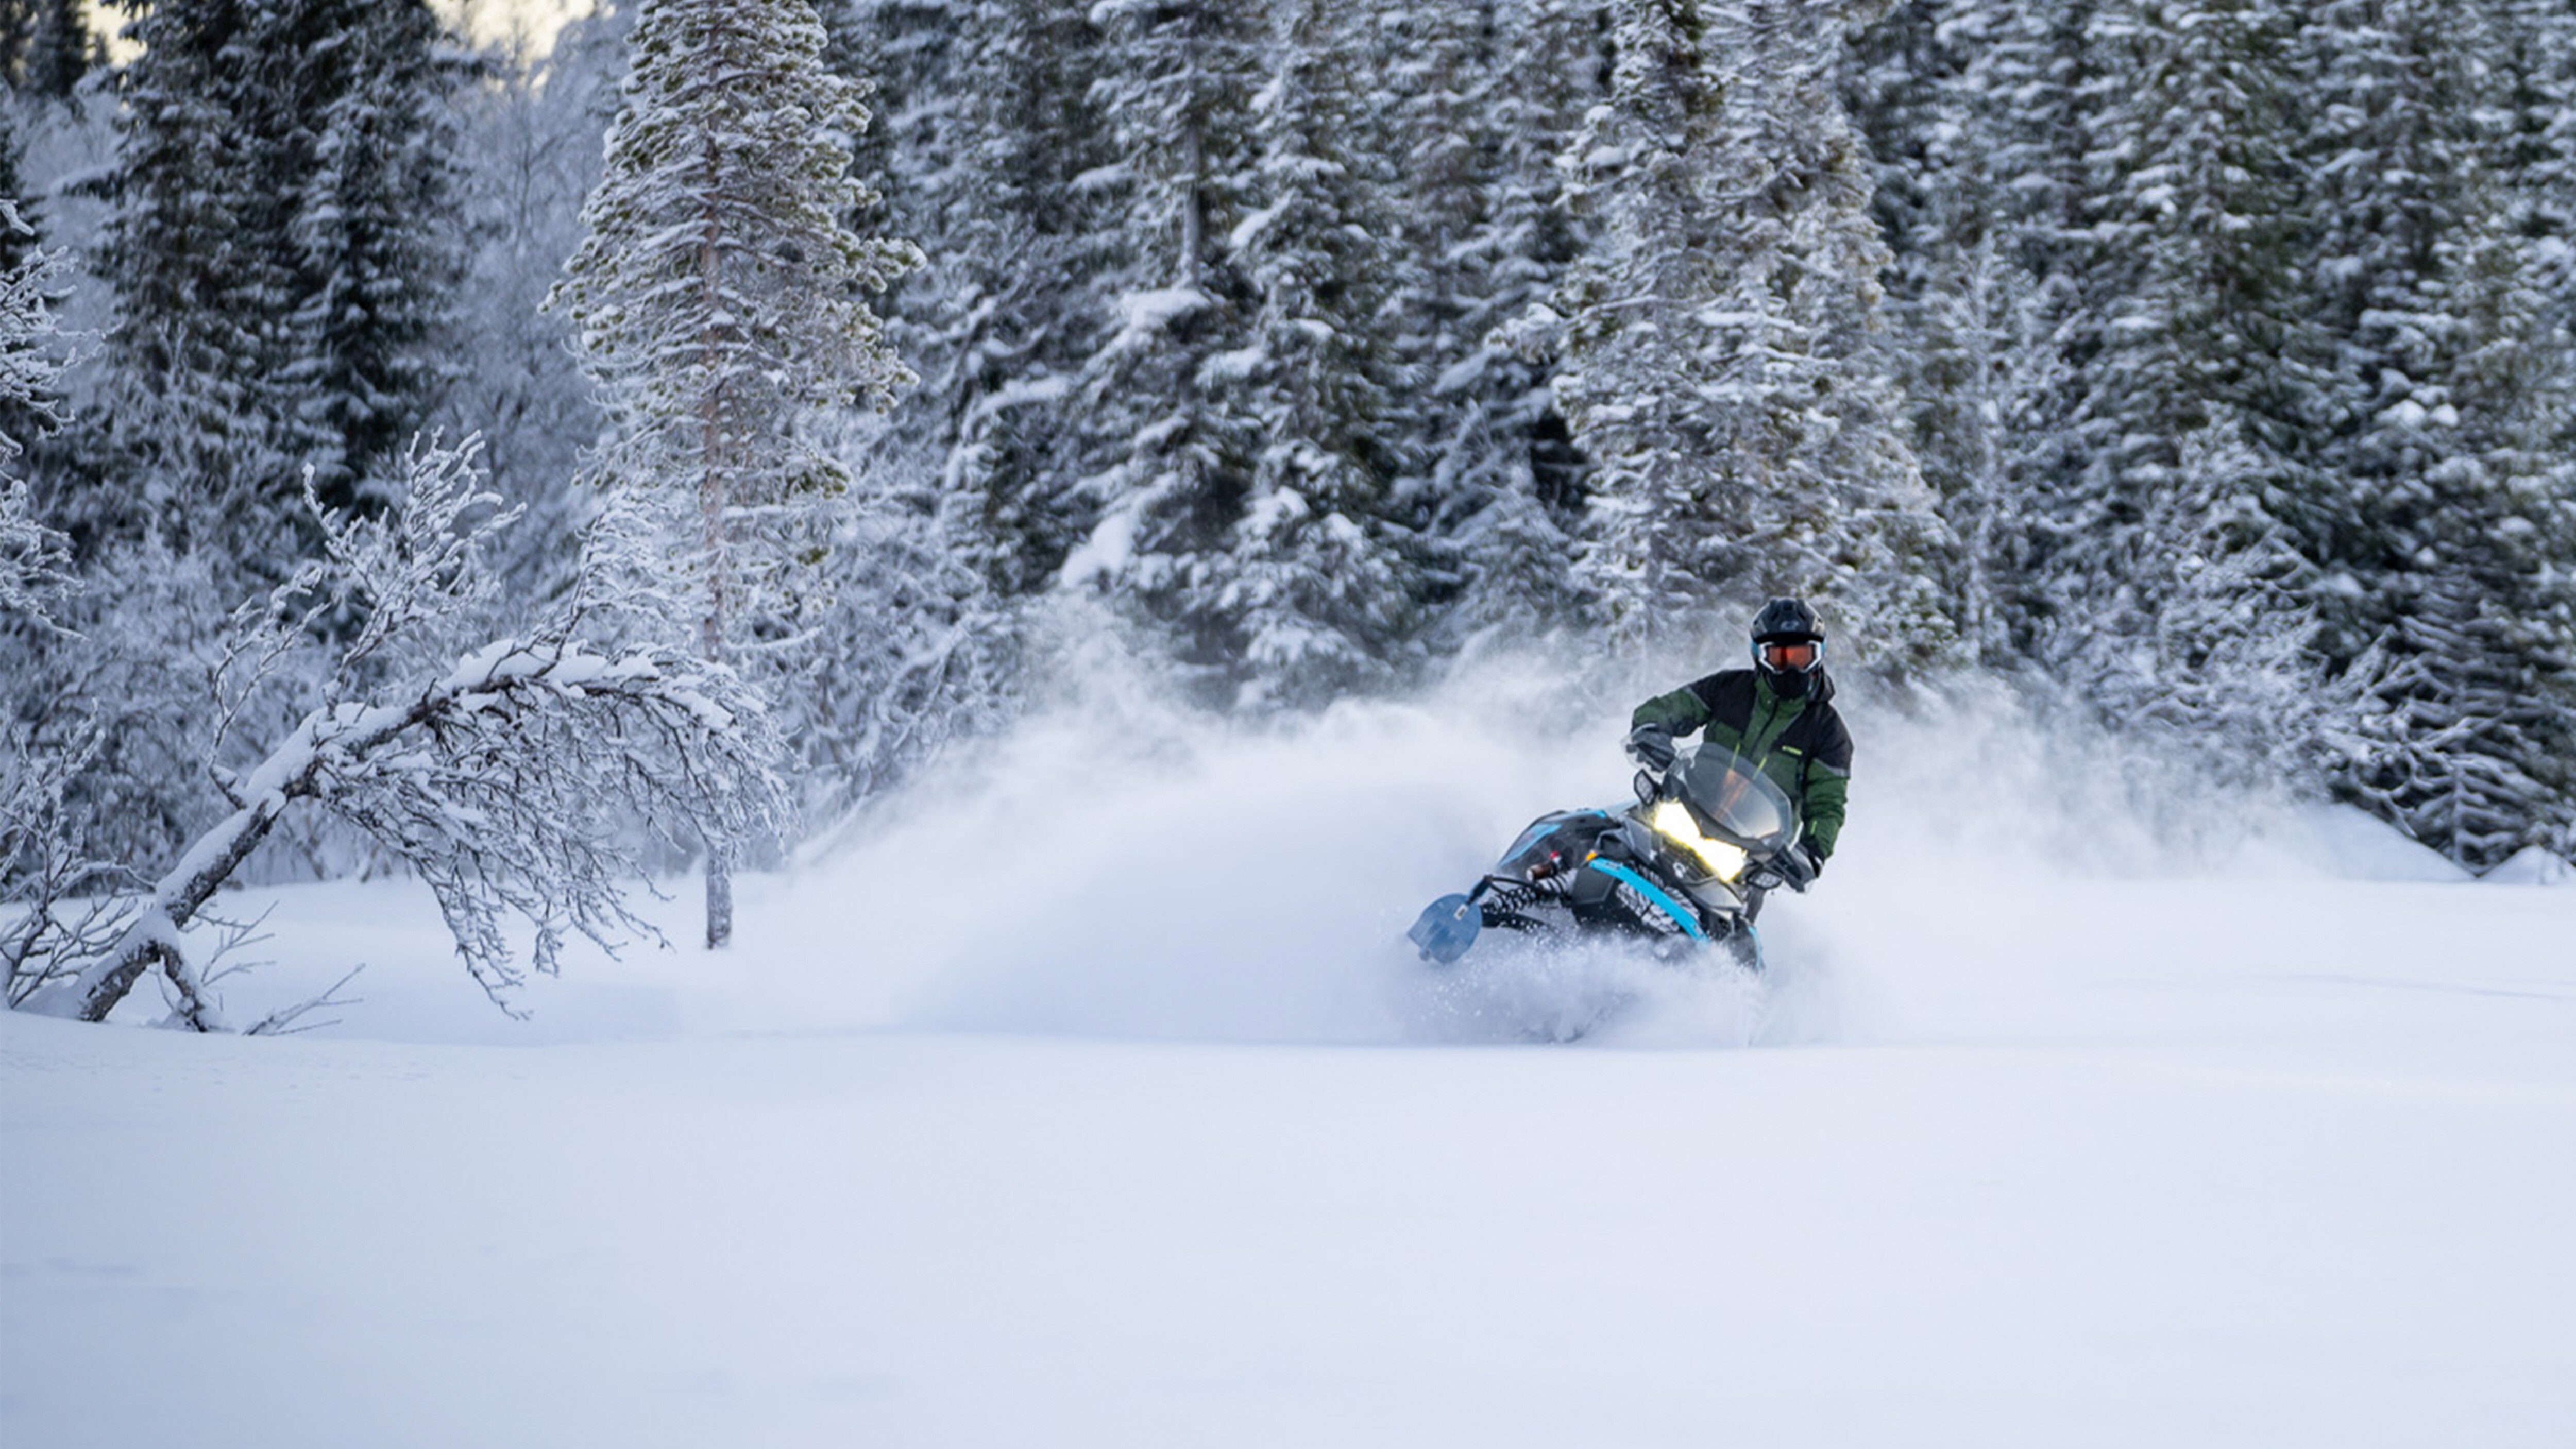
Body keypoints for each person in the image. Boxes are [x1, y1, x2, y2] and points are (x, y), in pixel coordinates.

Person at [1624, 598, 1850, 891]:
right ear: (1760, 656)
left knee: (1737, 927)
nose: (1792, 668)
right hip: (1685, 808)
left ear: (1819, 656)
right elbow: (1671, 707)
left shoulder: (1829, 731)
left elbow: (1827, 805)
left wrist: (1812, 852)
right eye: (1781, 658)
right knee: (1612, 832)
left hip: (1748, 854)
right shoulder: (1729, 689)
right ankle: (1550, 872)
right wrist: (1651, 731)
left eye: (1801, 657)